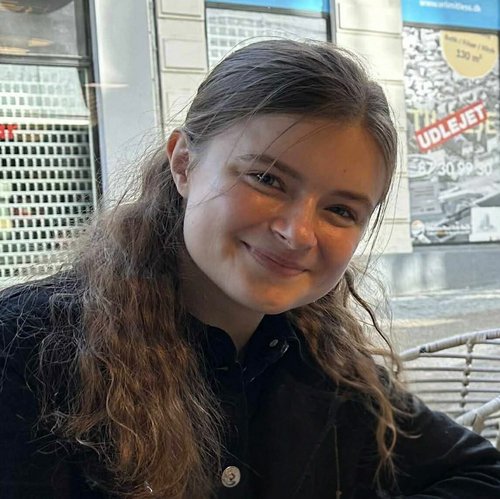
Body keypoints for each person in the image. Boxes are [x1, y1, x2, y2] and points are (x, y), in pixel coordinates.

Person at [1, 40, 499, 499]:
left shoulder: (323, 361)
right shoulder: (26, 350)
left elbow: (481, 472)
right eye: (267, 179)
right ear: (183, 163)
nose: (297, 233)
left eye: (340, 210)